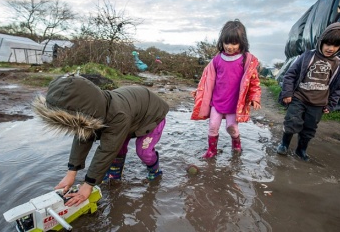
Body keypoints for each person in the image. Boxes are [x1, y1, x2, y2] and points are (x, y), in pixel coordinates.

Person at [32, 74, 169, 206]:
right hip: (131, 113)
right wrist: (71, 173)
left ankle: (154, 170)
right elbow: (82, 138)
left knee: (143, 152)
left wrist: (89, 184)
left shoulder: (117, 114)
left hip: (152, 115)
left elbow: (107, 149)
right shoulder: (94, 110)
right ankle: (114, 176)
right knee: (118, 147)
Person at [275, 22, 340, 161]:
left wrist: (331, 104)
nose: (330, 48)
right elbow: (290, 75)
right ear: (321, 42)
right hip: (299, 97)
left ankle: (301, 150)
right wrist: (287, 93)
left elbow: (338, 87)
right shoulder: (308, 56)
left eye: (335, 45)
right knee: (291, 121)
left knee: (309, 129)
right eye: (328, 44)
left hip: (318, 103)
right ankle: (284, 144)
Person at [191, 19, 261, 158]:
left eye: (234, 43)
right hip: (217, 101)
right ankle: (212, 150)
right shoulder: (217, 59)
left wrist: (255, 97)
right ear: (221, 42)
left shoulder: (245, 60)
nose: (230, 46)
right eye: (226, 42)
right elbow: (207, 79)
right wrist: (200, 92)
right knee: (212, 126)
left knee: (232, 128)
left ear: (242, 42)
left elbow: (254, 82)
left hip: (235, 104)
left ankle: (236, 143)